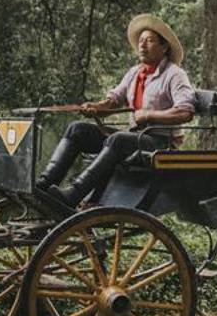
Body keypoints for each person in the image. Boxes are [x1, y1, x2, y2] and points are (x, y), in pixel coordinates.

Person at [36, 14, 196, 207]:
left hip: (161, 143)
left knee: (118, 139)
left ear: (164, 47)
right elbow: (113, 102)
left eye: (150, 41)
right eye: (141, 41)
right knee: (77, 129)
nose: (142, 45)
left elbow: (185, 112)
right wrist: (95, 107)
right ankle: (45, 184)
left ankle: (73, 195)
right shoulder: (135, 73)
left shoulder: (175, 75)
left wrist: (148, 115)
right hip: (135, 138)